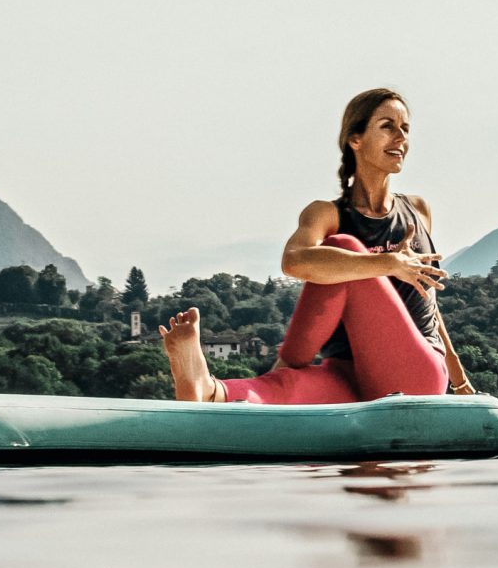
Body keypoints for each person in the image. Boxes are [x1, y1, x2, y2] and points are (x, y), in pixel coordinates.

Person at [161, 87, 478, 403]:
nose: (400, 138)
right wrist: (388, 263)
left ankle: (284, 365)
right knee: (288, 387)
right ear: (355, 139)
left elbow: (429, 308)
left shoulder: (417, 211)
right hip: (347, 375)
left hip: (415, 373)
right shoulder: (326, 213)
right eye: (387, 127)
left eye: (405, 129)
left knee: (343, 246)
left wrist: (461, 382)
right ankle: (208, 388)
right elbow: (294, 262)